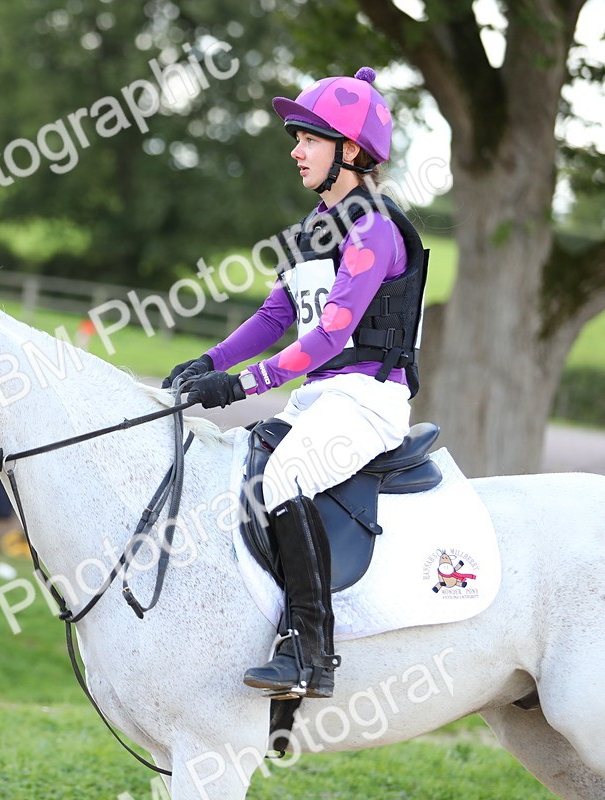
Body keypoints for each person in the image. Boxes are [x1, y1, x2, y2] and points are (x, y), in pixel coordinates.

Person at [162, 67, 426, 699]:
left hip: (367, 401)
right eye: (297, 137)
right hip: (321, 400)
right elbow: (277, 316)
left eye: (309, 138)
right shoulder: (318, 229)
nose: (295, 149)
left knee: (285, 478)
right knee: (242, 470)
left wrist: (243, 385)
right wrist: (211, 363)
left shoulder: (374, 230)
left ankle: (312, 652)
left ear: (353, 152)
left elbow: (330, 337)